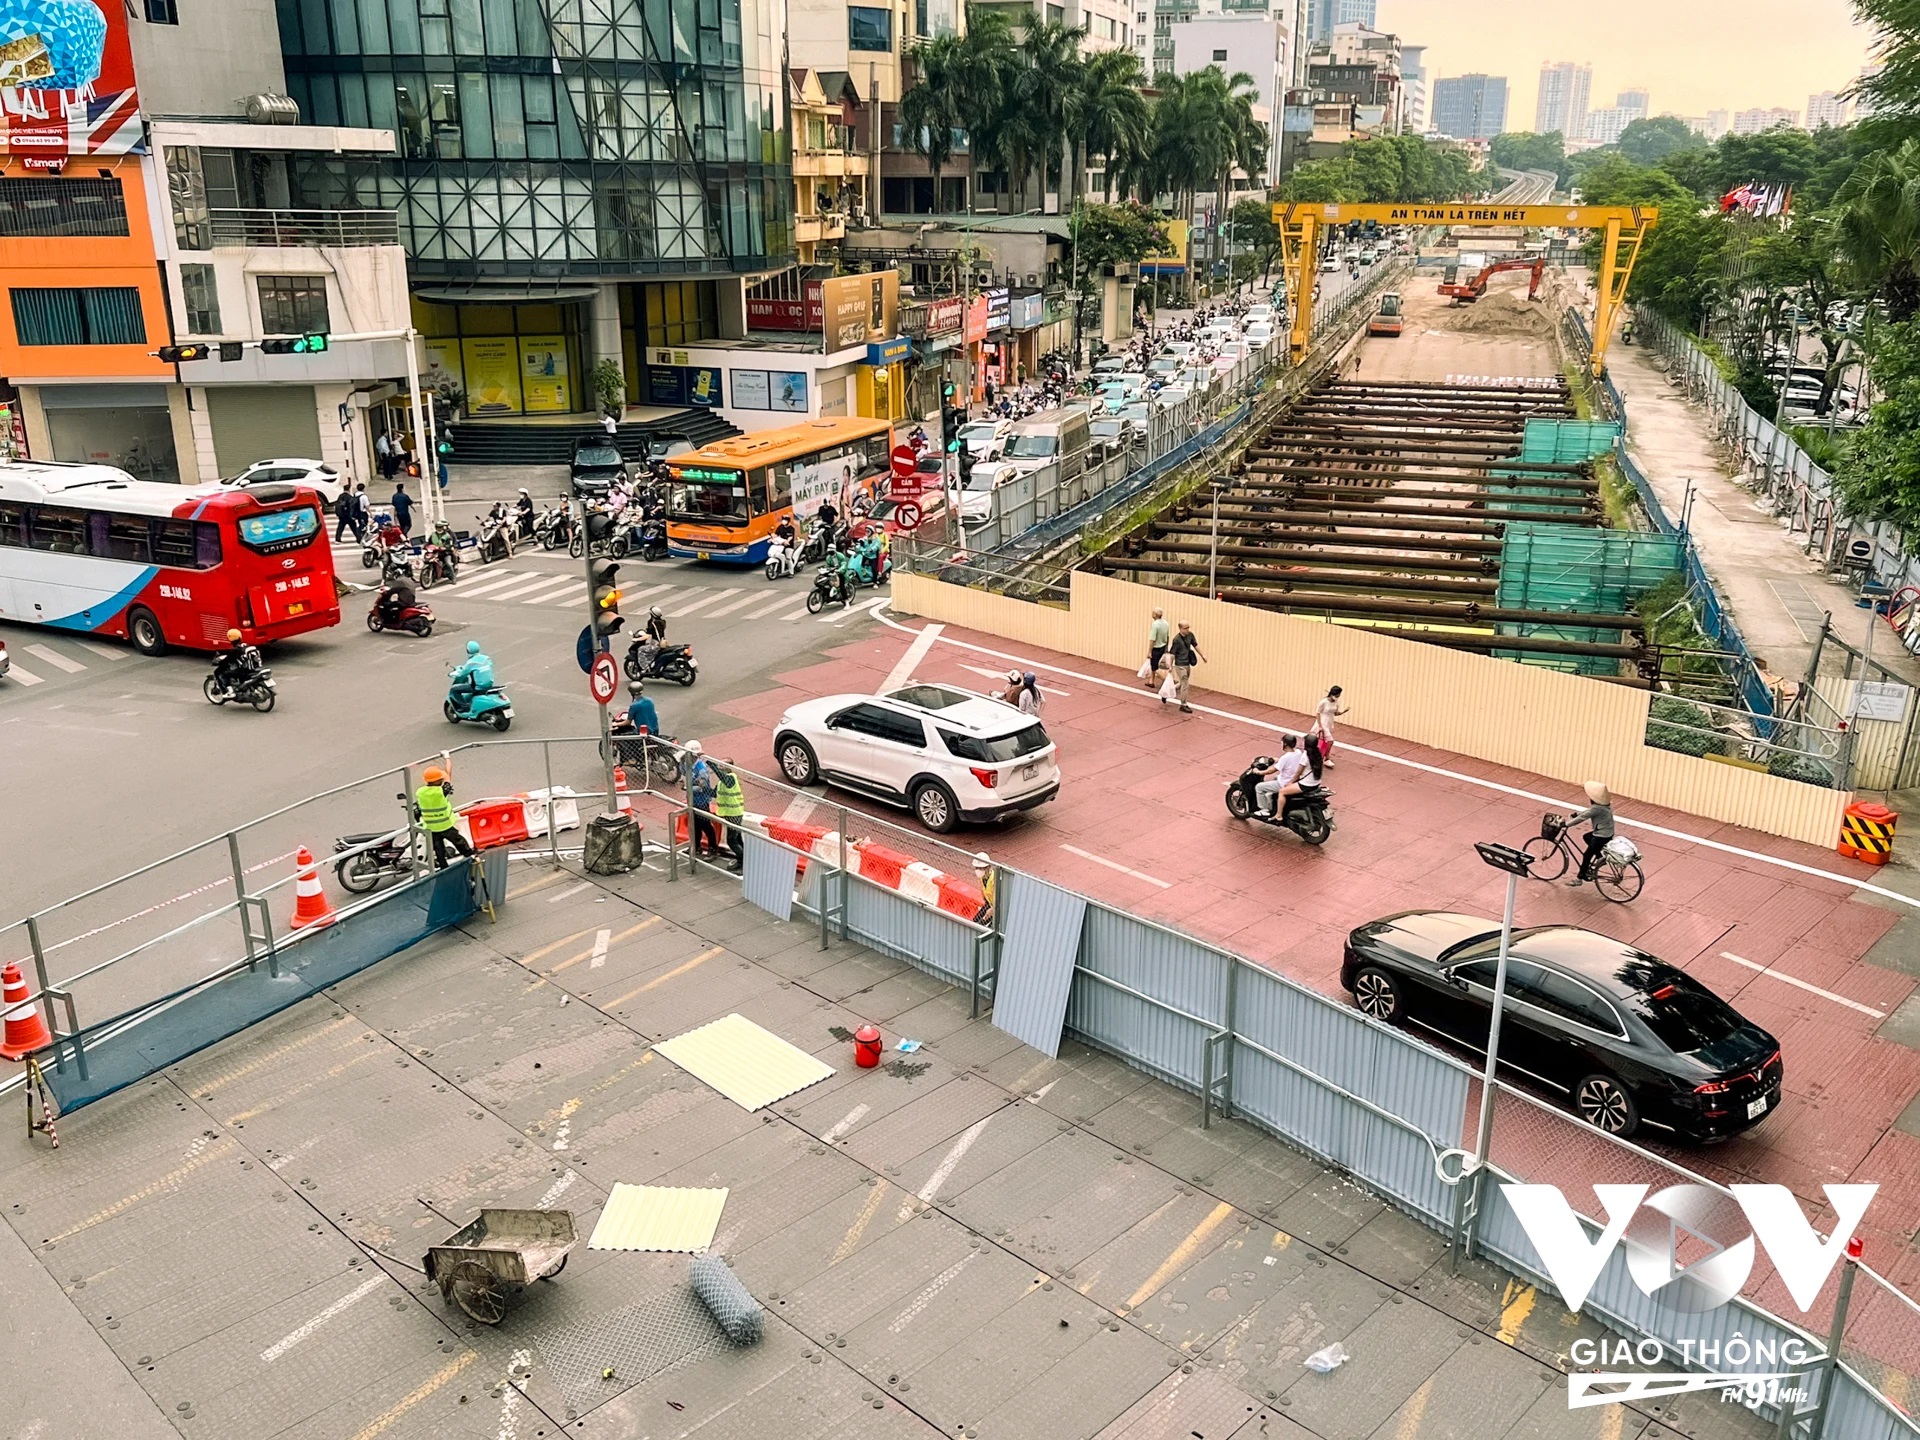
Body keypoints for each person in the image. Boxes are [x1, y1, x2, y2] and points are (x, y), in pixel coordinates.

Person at [415, 766, 473, 870]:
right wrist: (446, 757)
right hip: (445, 825)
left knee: (438, 848)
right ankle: (469, 854)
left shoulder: (420, 792)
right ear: (440, 780)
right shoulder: (441, 792)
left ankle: (443, 866)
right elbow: (447, 775)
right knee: (458, 841)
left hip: (431, 826)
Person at [1565, 781, 1616, 887]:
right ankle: (1599, 857)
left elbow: (1583, 818)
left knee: (1587, 855)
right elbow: (1588, 812)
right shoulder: (1604, 806)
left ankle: (1580, 878)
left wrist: (1567, 824)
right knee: (1587, 837)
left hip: (1601, 836)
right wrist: (1577, 814)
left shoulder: (1597, 808)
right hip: (1607, 833)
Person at [1254, 735, 1311, 817]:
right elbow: (1290, 761)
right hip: (1295, 780)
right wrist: (1278, 760)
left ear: (1285, 744)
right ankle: (1271, 799)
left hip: (1284, 783)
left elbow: (1271, 770)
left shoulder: (1285, 758)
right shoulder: (1298, 752)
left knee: (1259, 787)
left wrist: (1259, 772)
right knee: (1276, 777)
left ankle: (1264, 810)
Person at [710, 759, 746, 870]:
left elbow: (722, 777)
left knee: (731, 840)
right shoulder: (721, 782)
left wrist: (711, 764)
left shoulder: (730, 778)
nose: (719, 766)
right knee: (737, 837)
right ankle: (744, 858)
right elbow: (713, 793)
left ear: (728, 767)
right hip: (730, 813)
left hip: (734, 813)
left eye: (722, 764)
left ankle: (742, 861)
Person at [687, 741, 720, 858]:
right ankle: (696, 846)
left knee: (706, 825)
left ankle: (713, 848)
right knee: (695, 825)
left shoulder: (701, 769)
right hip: (694, 801)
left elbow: (703, 787)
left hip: (702, 801)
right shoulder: (691, 765)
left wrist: (689, 787)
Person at [211, 627, 262, 694]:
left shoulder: (236, 650)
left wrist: (221, 663)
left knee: (225, 674)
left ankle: (229, 692)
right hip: (254, 668)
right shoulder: (245, 645)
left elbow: (228, 660)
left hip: (245, 670)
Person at [1169, 621, 1204, 714]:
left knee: (1182, 683)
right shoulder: (1176, 640)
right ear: (1180, 629)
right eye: (1185, 628)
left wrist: (1202, 655)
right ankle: (1183, 704)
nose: (1187, 630)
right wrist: (1170, 666)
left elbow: (1195, 645)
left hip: (1187, 663)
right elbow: (1172, 653)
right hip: (1180, 664)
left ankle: (1169, 691)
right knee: (1185, 683)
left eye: (1188, 627)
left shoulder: (1190, 635)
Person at [449, 638, 492, 713]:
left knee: (454, 690)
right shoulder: (486, 658)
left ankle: (464, 707)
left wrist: (451, 674)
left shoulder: (471, 662)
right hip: (489, 684)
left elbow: (461, 674)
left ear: (468, 650)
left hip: (478, 687)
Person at [1310, 685, 1348, 766]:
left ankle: (1318, 755)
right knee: (1330, 741)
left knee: (1320, 740)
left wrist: (1343, 712)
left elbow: (1335, 713)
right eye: (1337, 695)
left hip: (1329, 722)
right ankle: (1326, 758)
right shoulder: (1323, 702)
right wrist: (1320, 726)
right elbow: (1318, 713)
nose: (1337, 697)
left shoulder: (1336, 702)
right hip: (1323, 722)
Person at [1146, 607, 1170, 687]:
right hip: (1163, 646)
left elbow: (1152, 639)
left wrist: (1149, 651)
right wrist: (1166, 647)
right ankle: (1151, 681)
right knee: (1155, 664)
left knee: (1155, 667)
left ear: (1155, 615)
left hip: (1156, 648)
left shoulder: (1155, 625)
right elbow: (1167, 636)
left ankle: (1166, 680)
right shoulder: (1166, 623)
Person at [972, 852, 997, 927]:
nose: (978, 870)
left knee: (986, 926)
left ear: (987, 867)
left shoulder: (994, 879)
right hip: (989, 904)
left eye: (980, 868)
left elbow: (998, 901)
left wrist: (991, 910)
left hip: (997, 907)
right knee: (975, 921)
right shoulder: (981, 878)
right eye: (976, 868)